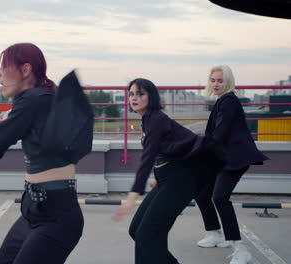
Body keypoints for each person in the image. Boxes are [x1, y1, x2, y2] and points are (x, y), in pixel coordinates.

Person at [0, 43, 84, 264]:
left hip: (56, 218)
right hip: (33, 213)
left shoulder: (33, 100)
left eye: (3, 67)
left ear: (26, 70)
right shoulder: (43, 99)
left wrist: (10, 120)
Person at [113, 78, 208, 264]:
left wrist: (131, 198)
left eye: (140, 94)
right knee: (138, 232)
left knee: (145, 236)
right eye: (131, 94)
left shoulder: (155, 120)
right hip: (167, 180)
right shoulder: (147, 119)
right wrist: (158, 177)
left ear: (151, 96)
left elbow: (147, 159)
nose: (134, 98)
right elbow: (168, 150)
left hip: (180, 182)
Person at [195, 65, 269, 264]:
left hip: (235, 159)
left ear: (228, 82)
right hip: (223, 157)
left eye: (220, 80)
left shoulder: (229, 101)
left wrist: (197, 148)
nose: (216, 84)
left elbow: (219, 134)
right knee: (202, 193)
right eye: (213, 80)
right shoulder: (222, 101)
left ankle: (240, 249)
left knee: (219, 197)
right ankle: (214, 233)